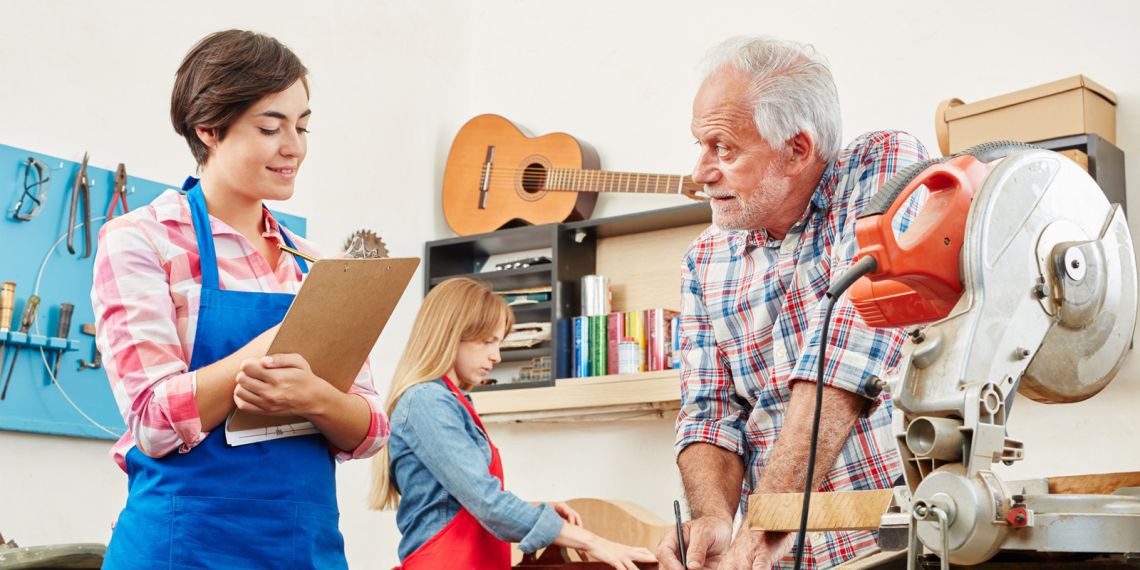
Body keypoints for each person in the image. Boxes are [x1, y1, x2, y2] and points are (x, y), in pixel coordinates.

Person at [93, 30, 388, 569]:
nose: (294, 146)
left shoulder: (314, 266)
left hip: (304, 548)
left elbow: (371, 428)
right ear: (209, 128)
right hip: (182, 547)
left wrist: (314, 399)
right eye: (271, 127)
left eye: (302, 126)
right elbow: (154, 421)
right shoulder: (142, 240)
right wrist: (265, 352)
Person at [657, 36, 929, 570]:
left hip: (896, 545)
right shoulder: (704, 259)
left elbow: (848, 360)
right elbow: (709, 414)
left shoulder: (883, 170)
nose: (700, 172)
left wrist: (764, 525)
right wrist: (713, 519)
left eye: (724, 149)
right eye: (700, 146)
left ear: (797, 149)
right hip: (782, 558)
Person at [369, 278, 657, 569]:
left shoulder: (452, 401)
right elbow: (487, 503)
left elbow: (458, 504)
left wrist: (535, 510)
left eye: (499, 343)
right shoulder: (426, 402)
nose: (496, 356)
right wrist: (596, 543)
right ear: (451, 334)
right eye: (487, 342)